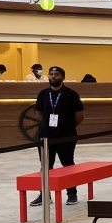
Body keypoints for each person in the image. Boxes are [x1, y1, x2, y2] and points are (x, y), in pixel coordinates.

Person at [29, 66, 85, 207]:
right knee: (46, 166)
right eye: (51, 74)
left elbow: (79, 116)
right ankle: (44, 195)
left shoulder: (71, 94)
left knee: (68, 164)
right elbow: (39, 112)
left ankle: (72, 194)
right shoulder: (43, 94)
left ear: (62, 77)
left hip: (66, 136)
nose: (53, 76)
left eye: (57, 74)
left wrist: (67, 127)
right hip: (46, 136)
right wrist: (46, 125)